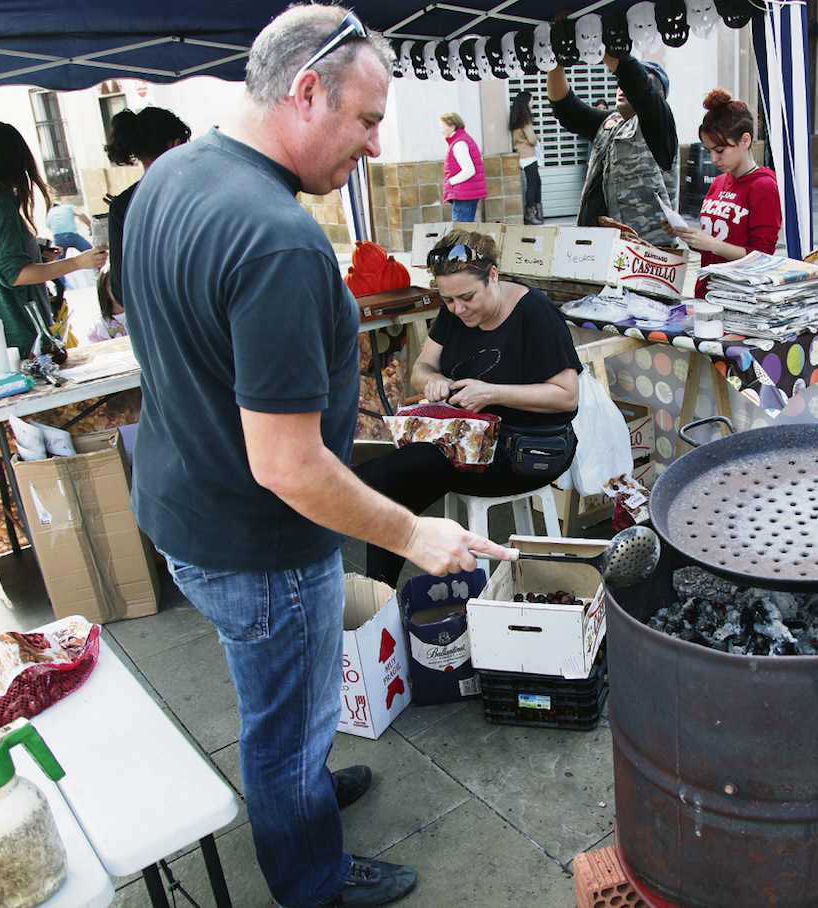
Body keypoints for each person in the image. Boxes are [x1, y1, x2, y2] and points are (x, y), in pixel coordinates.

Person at [122, 8, 505, 907]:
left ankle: (297, 789)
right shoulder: (278, 239)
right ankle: (310, 875)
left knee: (276, 691)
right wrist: (413, 534)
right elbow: (289, 467)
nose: (375, 145)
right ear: (305, 93)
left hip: (181, 502)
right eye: (368, 120)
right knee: (283, 717)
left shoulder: (170, 176)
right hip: (256, 538)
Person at [354, 229, 580, 586]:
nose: (458, 309)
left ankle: (337, 496)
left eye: (466, 297)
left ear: (492, 276)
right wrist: (434, 380)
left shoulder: (535, 313)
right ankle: (377, 592)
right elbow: (420, 370)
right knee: (399, 492)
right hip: (469, 439)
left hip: (527, 449)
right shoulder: (455, 312)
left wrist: (492, 393)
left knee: (413, 466)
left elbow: (567, 396)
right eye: (447, 300)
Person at [0, 123, 106, 354]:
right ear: (17, 159)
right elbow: (14, 274)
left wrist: (33, 253)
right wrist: (79, 262)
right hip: (18, 338)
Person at [547, 52, 677, 247]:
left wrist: (600, 45)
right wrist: (557, 61)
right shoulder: (609, 123)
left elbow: (634, 78)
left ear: (658, 97)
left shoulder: (659, 126)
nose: (623, 88)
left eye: (630, 85)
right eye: (620, 83)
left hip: (643, 254)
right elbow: (566, 108)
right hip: (597, 247)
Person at [669, 89, 782, 298]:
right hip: (707, 293)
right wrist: (688, 235)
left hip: (740, 300)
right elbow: (714, 245)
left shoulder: (764, 187)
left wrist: (711, 244)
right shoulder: (719, 182)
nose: (713, 159)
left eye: (720, 150)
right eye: (708, 150)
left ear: (745, 141)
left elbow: (762, 257)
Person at [103, 106, 192, 307]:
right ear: (175, 145)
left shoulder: (123, 205)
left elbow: (121, 292)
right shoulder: (199, 193)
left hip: (158, 328)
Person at [440, 112, 485, 223]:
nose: (440, 131)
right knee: (465, 231)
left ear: (452, 127)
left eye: (442, 127)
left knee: (460, 233)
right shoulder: (463, 139)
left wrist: (450, 182)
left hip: (464, 194)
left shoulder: (459, 144)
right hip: (468, 193)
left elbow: (469, 170)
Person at [509, 91, 543, 225]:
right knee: (533, 184)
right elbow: (532, 139)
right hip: (529, 155)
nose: (532, 103)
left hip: (520, 154)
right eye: (531, 100)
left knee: (534, 182)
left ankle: (536, 213)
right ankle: (532, 215)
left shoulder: (515, 119)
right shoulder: (526, 120)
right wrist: (537, 137)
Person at [87, 271, 127, 342]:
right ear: (105, 292)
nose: (120, 288)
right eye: (113, 286)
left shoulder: (143, 314)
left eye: (122, 282)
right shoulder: (99, 325)